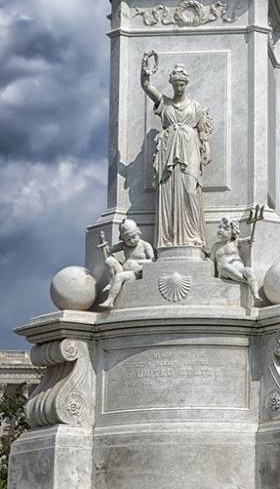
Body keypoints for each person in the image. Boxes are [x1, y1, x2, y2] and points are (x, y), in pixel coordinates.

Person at [140, 51, 212, 249]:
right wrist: (145, 68)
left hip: (190, 148)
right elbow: (146, 86)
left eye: (182, 84)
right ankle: (170, 237)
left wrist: (206, 148)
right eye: (176, 85)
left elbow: (203, 132)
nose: (179, 87)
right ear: (172, 85)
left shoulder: (196, 107)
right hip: (169, 148)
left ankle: (193, 234)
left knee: (190, 189)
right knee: (169, 191)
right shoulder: (165, 103)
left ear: (186, 84)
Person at [98, 219, 154, 308]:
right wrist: (102, 242)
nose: (131, 241)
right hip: (123, 269)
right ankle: (111, 282)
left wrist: (141, 262)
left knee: (119, 276)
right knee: (109, 260)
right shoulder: (123, 245)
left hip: (135, 274)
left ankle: (110, 300)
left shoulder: (145, 245)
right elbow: (108, 250)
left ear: (139, 233)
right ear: (123, 239)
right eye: (128, 239)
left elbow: (153, 260)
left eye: (134, 237)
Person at [213, 216, 260, 300]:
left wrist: (249, 239)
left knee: (249, 271)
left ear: (233, 232)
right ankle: (247, 282)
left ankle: (255, 294)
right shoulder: (215, 246)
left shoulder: (235, 242)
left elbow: (244, 241)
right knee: (224, 266)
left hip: (238, 267)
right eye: (220, 227)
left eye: (225, 228)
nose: (221, 230)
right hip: (224, 271)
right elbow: (212, 262)